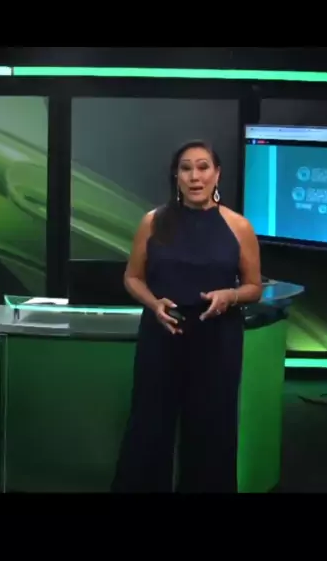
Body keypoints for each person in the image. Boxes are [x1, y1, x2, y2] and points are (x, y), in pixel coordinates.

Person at [112, 140, 262, 493]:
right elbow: (132, 277)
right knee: (149, 428)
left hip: (217, 340)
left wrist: (230, 295)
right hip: (162, 336)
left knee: (211, 431)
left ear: (217, 174)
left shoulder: (238, 226)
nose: (195, 176)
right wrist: (154, 304)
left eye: (203, 167)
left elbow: (254, 286)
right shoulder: (153, 222)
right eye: (186, 168)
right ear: (176, 176)